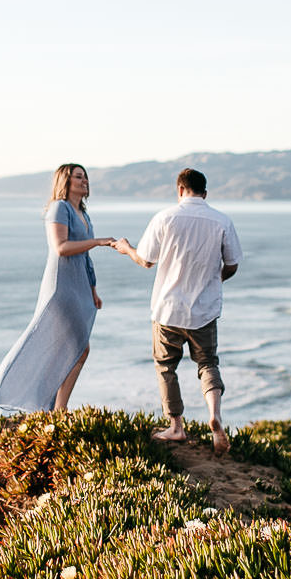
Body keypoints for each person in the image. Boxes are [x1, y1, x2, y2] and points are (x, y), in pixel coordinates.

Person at [113, 167, 242, 454]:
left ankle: (176, 427)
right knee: (207, 363)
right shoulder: (221, 220)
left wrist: (125, 248)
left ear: (180, 190)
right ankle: (215, 415)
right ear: (205, 193)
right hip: (204, 311)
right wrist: (213, 280)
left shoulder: (165, 217)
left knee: (166, 367)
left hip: (167, 309)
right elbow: (232, 265)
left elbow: (145, 261)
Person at [0, 164, 121, 413]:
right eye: (78, 177)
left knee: (74, 347)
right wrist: (99, 241)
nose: (85, 181)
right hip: (62, 286)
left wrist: (93, 289)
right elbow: (61, 248)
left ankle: (55, 407)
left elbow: (85, 257)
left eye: (85, 177)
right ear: (66, 182)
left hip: (80, 285)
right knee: (78, 346)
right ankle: (55, 406)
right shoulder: (60, 208)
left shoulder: (84, 213)